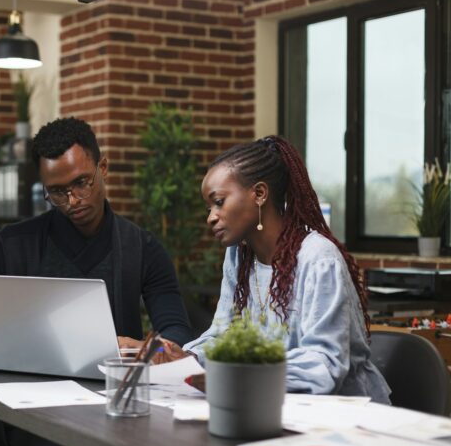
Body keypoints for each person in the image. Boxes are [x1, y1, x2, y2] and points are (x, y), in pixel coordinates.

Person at [0, 117, 194, 446]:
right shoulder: (12, 247)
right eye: (57, 192)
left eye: (81, 183)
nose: (73, 201)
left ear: (102, 169)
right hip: (35, 419)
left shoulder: (142, 248)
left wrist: (146, 351)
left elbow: (176, 334)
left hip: (122, 410)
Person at [156, 135, 391, 404]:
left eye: (219, 202)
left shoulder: (318, 258)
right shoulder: (239, 257)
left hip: (349, 414)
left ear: (259, 194)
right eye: (208, 207)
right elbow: (224, 334)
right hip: (276, 404)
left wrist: (240, 374)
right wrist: (185, 356)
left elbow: (324, 365)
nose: (211, 217)